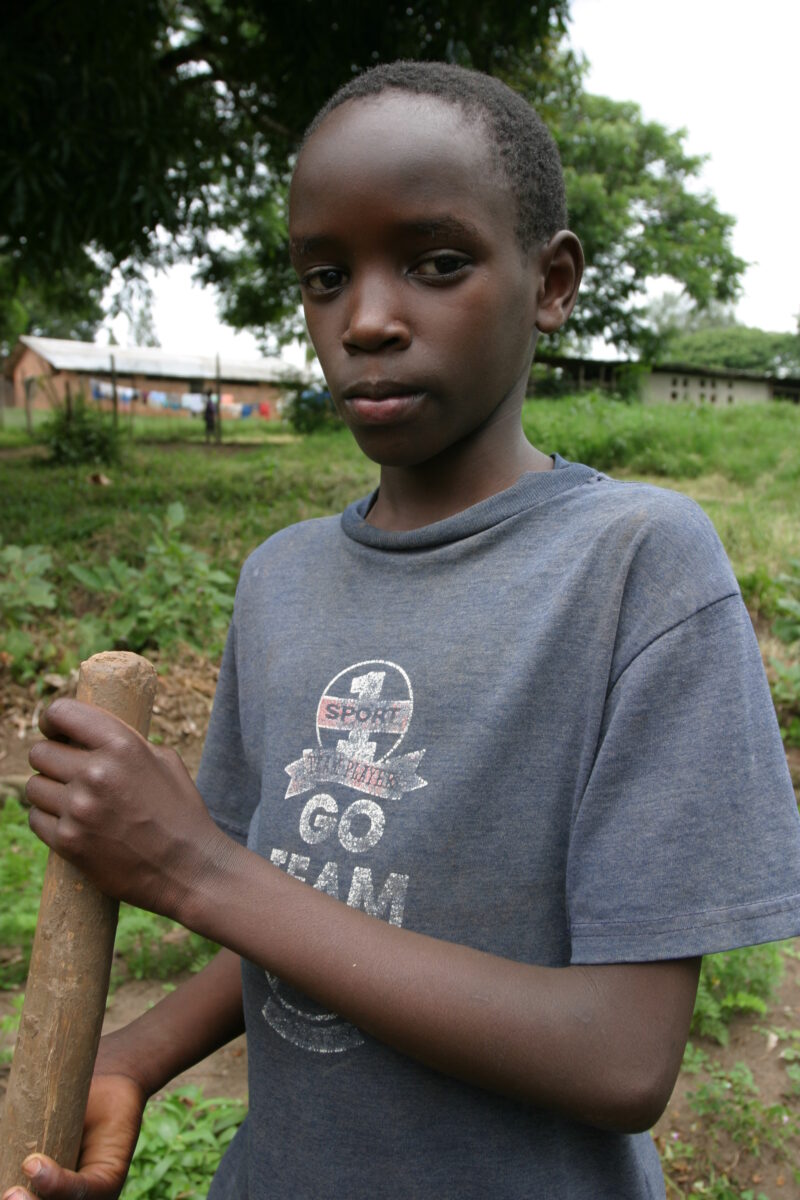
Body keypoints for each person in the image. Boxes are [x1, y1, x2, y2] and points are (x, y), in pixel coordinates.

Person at [8, 61, 800, 1200]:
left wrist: (195, 870)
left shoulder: (635, 567)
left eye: (436, 263)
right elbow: (318, 897)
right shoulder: (281, 579)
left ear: (551, 282)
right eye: (325, 276)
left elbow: (621, 1056)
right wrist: (136, 1053)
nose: (368, 320)